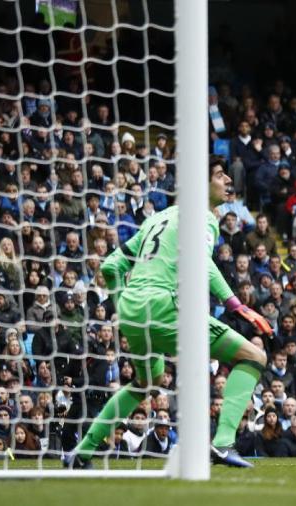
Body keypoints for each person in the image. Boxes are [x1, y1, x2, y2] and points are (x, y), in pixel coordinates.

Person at [65, 161, 272, 469]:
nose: (227, 179)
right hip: (165, 307)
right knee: (254, 357)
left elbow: (110, 267)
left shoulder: (156, 219)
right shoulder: (203, 217)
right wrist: (236, 305)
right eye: (218, 174)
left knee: (146, 383)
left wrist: (123, 303)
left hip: (132, 310)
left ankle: (82, 452)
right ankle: (223, 443)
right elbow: (199, 260)